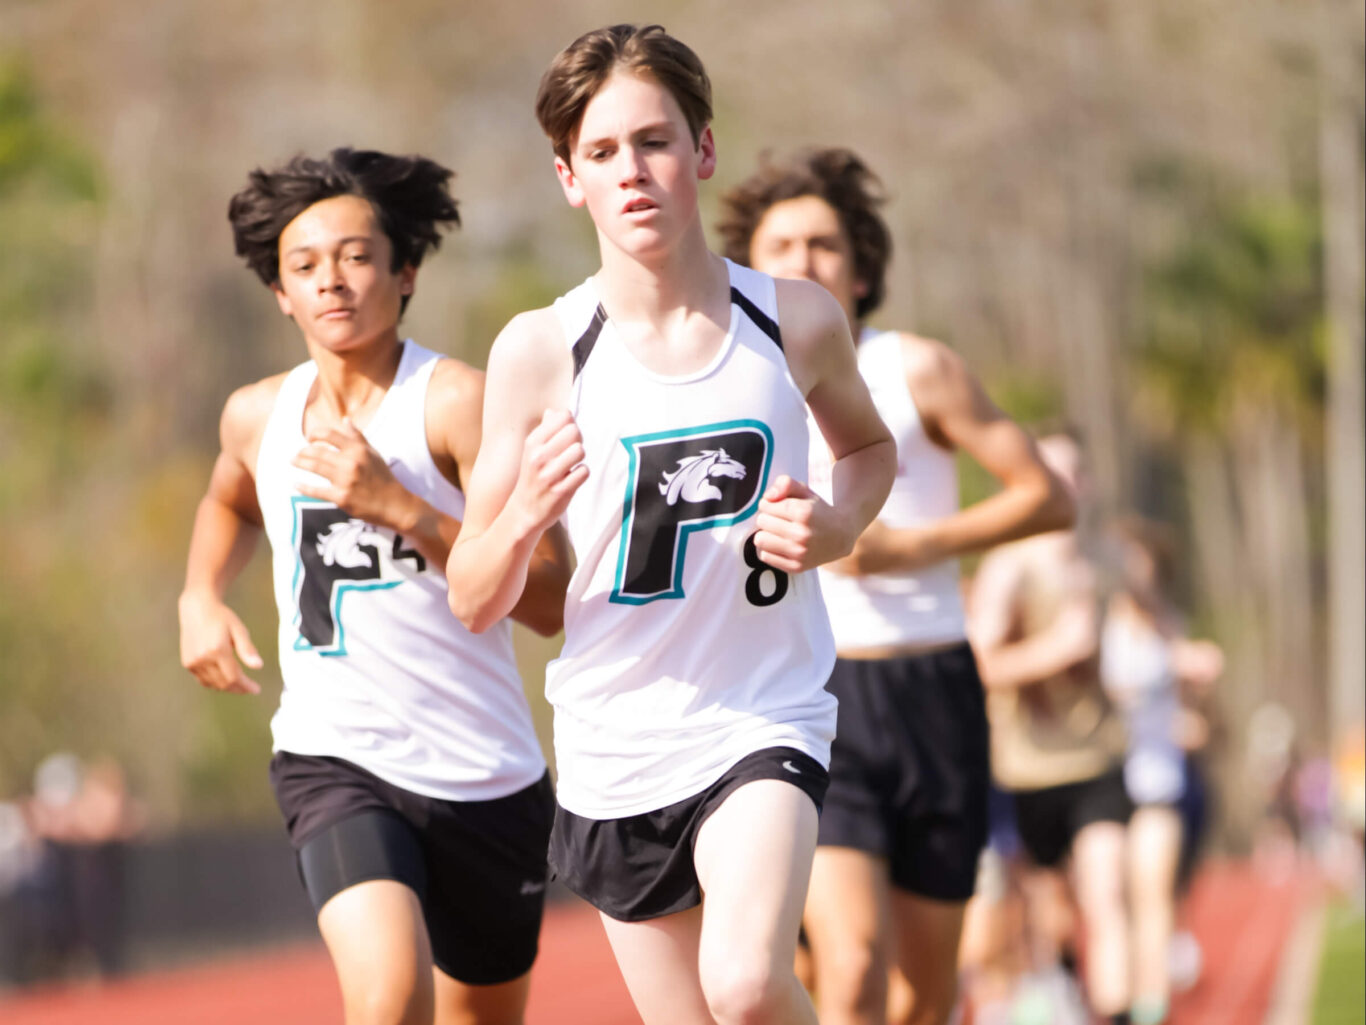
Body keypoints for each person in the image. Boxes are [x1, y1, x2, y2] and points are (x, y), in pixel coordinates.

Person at [445, 25, 896, 1025]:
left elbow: (867, 452)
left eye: (652, 141)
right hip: (615, 744)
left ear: (701, 150)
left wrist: (836, 525)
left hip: (763, 711)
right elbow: (473, 593)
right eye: (601, 153)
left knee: (743, 984)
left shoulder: (794, 319)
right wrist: (523, 514)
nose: (631, 172)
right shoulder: (539, 351)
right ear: (569, 177)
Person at [178, 147, 569, 1025]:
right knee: (388, 999)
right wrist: (199, 595)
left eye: (357, 257)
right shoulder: (255, 415)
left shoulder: (458, 405)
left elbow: (548, 601)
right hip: (335, 759)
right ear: (280, 292)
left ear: (407, 273)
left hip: (486, 774)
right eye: (305, 266)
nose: (333, 282)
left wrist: (394, 503)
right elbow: (228, 499)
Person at [717, 146, 1075, 1025]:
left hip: (933, 685)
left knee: (924, 988)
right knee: (855, 964)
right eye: (782, 246)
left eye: (825, 244)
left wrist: (912, 545)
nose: (804, 262)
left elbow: (1048, 496)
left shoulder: (918, 368)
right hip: (810, 692)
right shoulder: (732, 381)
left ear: (863, 264)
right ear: (747, 267)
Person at [968, 432, 1134, 1024]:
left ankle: (1115, 1013)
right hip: (1027, 769)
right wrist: (1055, 650)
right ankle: (1064, 985)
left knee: (1107, 892)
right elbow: (980, 666)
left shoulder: (1111, 562)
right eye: (1049, 473)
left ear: (1086, 485)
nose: (1063, 487)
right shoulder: (1008, 570)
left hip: (1099, 761)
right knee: (1051, 913)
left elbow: (1146, 634)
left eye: (1072, 474)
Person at [1101, 516, 1223, 1024]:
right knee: (1110, 902)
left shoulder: (1172, 625)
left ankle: (1151, 1009)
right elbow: (1112, 687)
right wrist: (1173, 666)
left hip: (1158, 781)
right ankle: (1114, 1003)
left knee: (1153, 898)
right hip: (1102, 779)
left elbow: (1199, 713)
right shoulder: (1102, 621)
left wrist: (1197, 713)